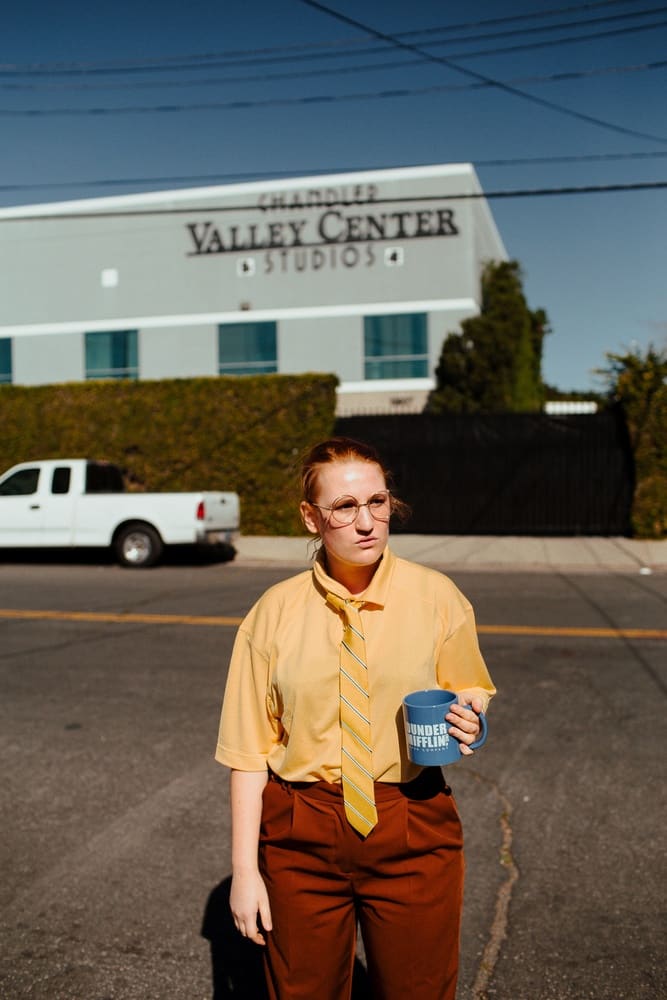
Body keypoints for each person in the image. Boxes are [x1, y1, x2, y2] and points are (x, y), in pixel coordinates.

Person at [215, 437, 496, 1000]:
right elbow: (248, 753)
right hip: (301, 831)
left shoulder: (436, 596)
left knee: (419, 990)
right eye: (345, 507)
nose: (366, 521)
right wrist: (245, 874)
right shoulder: (272, 613)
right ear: (311, 517)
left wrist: (472, 719)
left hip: (412, 820)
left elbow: (469, 685)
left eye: (378, 502)